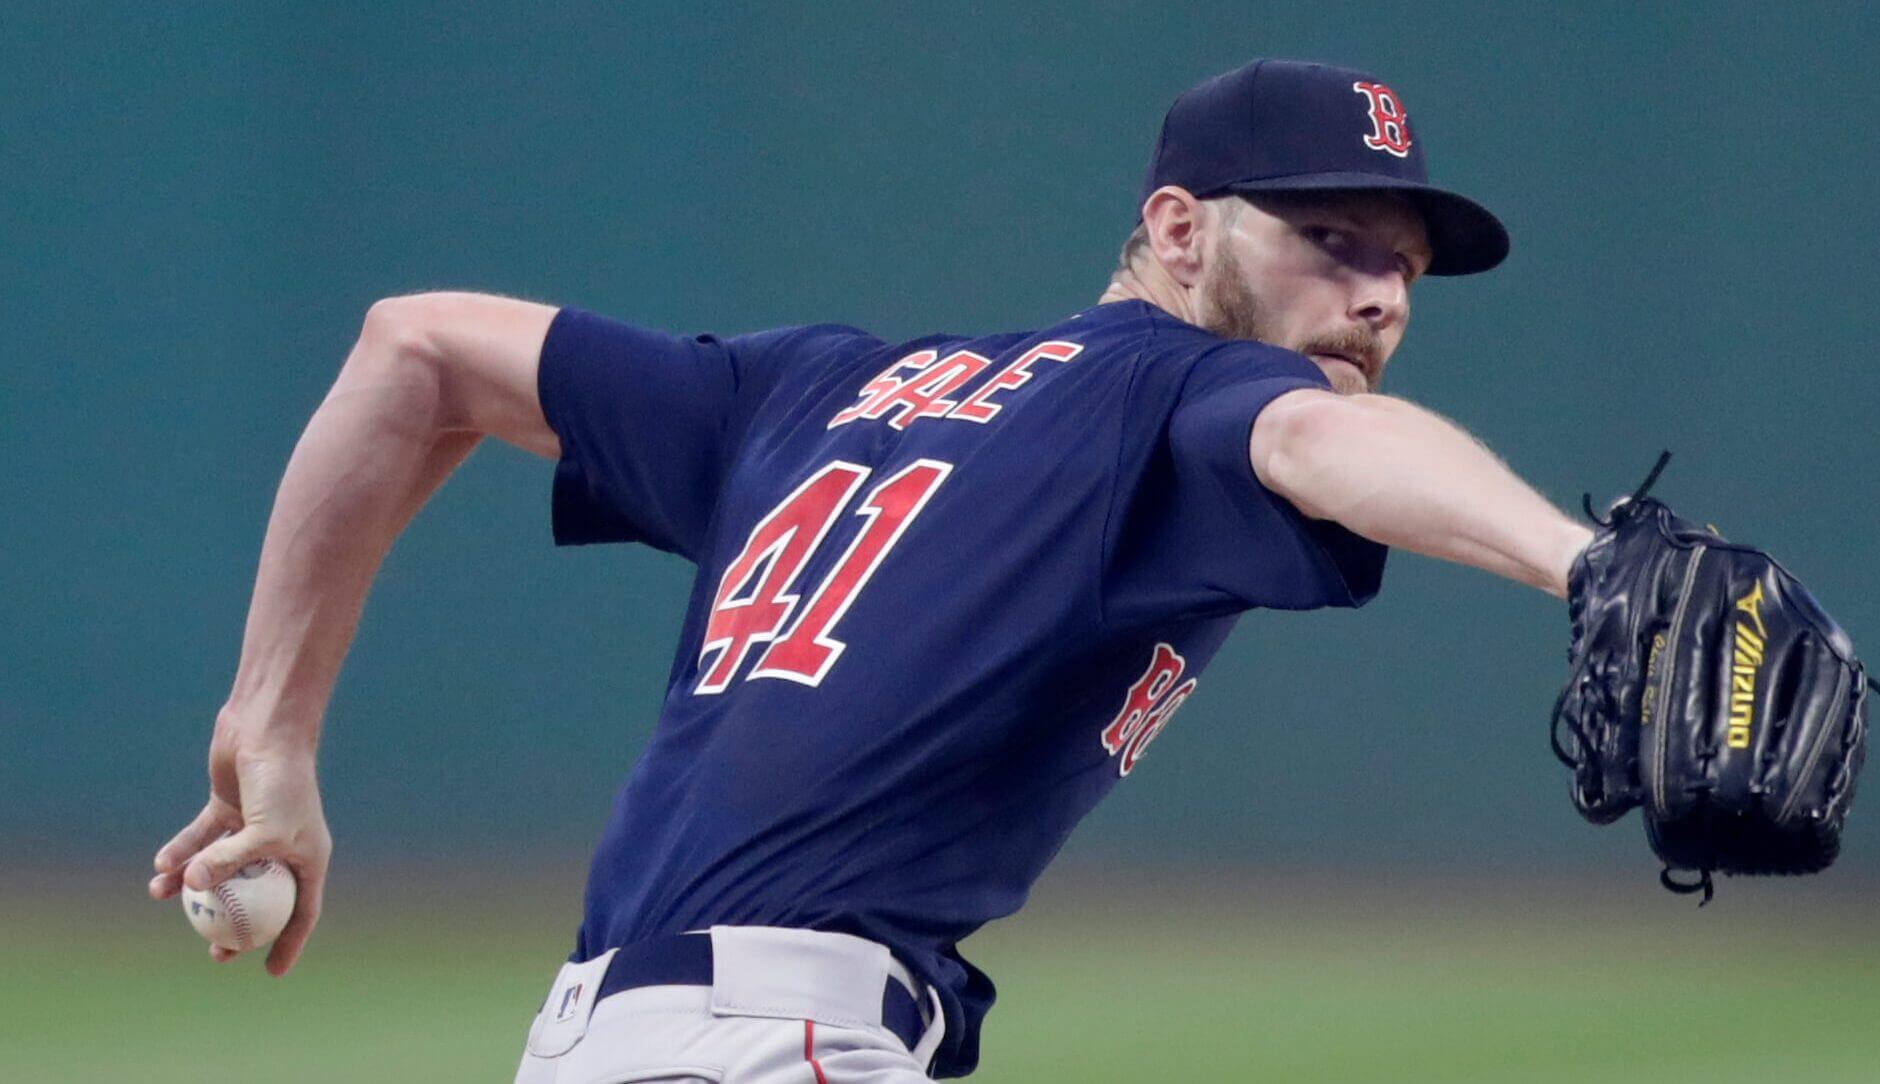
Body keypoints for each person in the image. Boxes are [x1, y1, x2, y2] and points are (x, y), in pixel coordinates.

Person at [147, 59, 1595, 1082]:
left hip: (609, 1040)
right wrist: (1580, 566)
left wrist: (267, 735)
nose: (1375, 292)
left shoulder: (821, 392)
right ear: (1172, 226)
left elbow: (418, 348)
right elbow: (1322, 444)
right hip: (777, 1043)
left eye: (1401, 265)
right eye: (1327, 236)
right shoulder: (1182, 391)